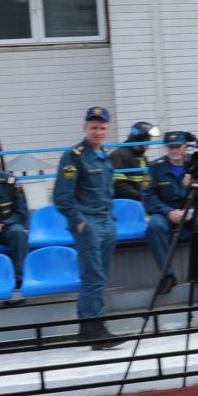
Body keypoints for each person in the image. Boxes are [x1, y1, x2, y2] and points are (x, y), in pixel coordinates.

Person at [52, 106, 124, 349]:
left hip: (105, 220)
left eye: (102, 127)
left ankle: (86, 329)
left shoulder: (104, 156)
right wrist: (79, 221)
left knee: (99, 276)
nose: (98, 131)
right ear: (85, 128)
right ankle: (96, 329)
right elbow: (62, 196)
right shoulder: (74, 156)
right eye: (94, 127)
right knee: (93, 276)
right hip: (88, 223)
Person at [143, 130, 195, 294]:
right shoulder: (155, 168)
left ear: (185, 147)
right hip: (166, 213)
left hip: (191, 212)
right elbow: (147, 195)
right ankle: (168, 276)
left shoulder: (196, 165)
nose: (174, 151)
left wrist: (193, 210)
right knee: (154, 226)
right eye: (170, 147)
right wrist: (168, 212)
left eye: (177, 146)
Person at [108, 121, 156, 202]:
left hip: (137, 203)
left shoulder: (141, 157)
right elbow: (118, 184)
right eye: (148, 142)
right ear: (141, 141)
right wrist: (141, 196)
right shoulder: (119, 155)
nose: (149, 146)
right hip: (125, 205)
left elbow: (146, 180)